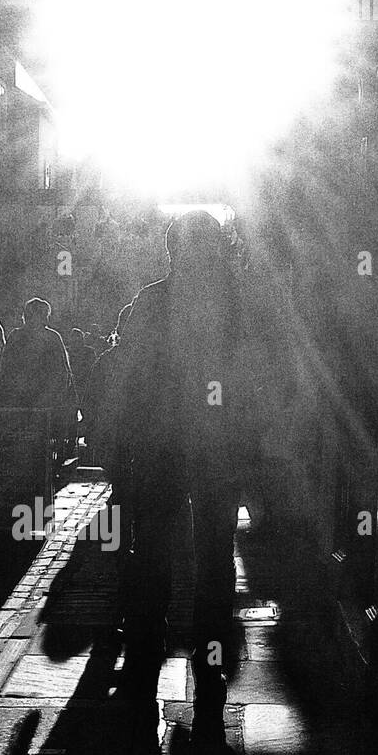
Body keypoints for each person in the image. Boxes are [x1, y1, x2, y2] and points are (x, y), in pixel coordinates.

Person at [107, 210, 268, 723]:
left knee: (152, 550)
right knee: (215, 559)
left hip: (159, 448)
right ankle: (209, 660)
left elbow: (127, 383)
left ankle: (145, 653)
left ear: (173, 251)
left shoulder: (151, 303)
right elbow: (253, 380)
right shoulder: (239, 304)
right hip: (215, 449)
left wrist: (121, 451)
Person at [1, 298, 78, 462]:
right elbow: (62, 371)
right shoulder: (52, 337)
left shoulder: (15, 336)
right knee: (42, 447)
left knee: (20, 445)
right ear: (45, 316)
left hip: (19, 402)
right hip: (46, 402)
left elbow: (5, 369)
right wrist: (58, 396)